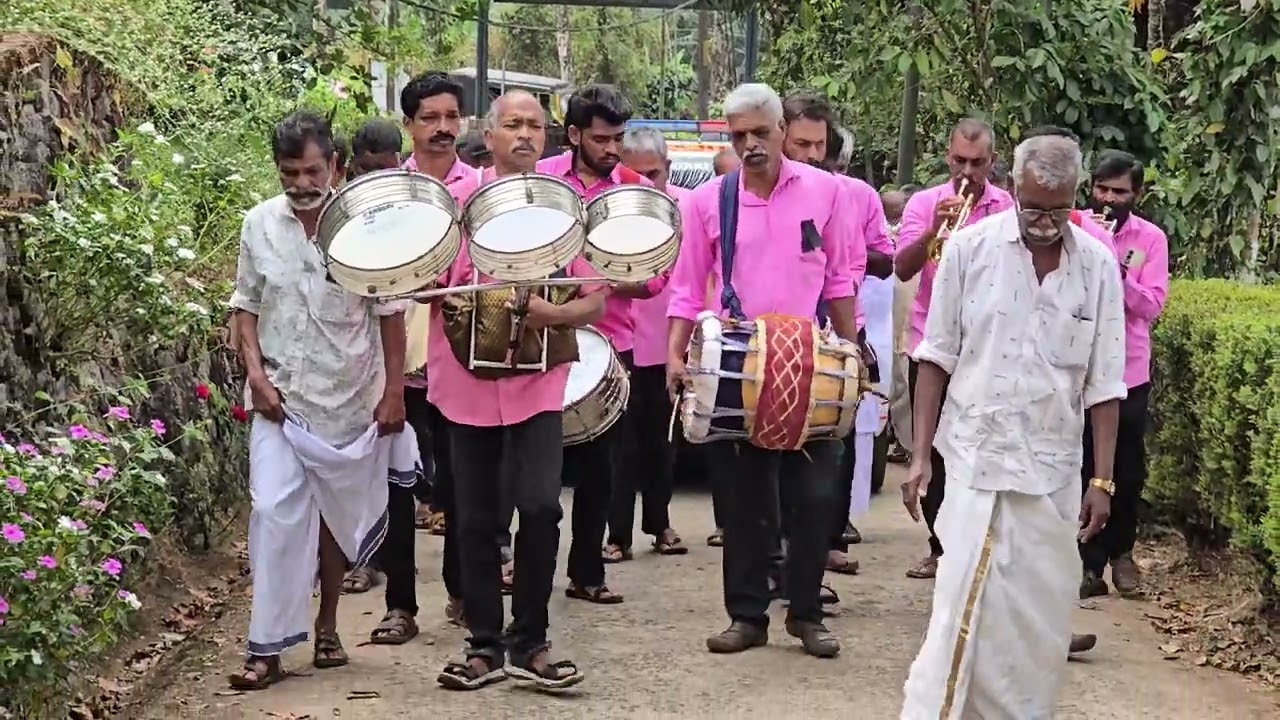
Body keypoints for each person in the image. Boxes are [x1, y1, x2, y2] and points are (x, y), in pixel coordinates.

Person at [899, 133, 1126, 717]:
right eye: (1033, 209)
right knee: (960, 611)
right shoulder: (969, 249)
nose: (1045, 223)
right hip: (974, 464)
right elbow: (936, 357)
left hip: (1052, 475)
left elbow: (1105, 382)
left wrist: (1102, 481)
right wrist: (920, 456)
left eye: (1058, 210)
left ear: (1074, 197)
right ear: (1014, 190)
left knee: (1035, 628)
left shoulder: (1098, 265)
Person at [666, 83, 864, 658]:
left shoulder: (828, 192)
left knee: (814, 500)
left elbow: (840, 279)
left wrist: (853, 354)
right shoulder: (709, 201)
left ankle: (805, 614)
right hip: (739, 368)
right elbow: (686, 288)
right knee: (744, 503)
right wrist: (675, 355)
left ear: (782, 130)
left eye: (760, 132)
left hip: (813, 364)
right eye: (739, 135)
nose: (750, 144)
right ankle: (747, 616)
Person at [226, 110, 412, 690]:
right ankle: (266, 649)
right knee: (272, 513)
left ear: (335, 164)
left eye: (312, 171)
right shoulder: (259, 224)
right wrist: (256, 376)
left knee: (334, 523)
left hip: (351, 401)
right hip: (280, 401)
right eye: (290, 173)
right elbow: (245, 306)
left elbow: (390, 314)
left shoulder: (366, 229)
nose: (302, 184)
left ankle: (327, 627)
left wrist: (394, 393)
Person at [430, 90, 602, 691]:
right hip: (466, 385)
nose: (524, 134)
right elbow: (425, 283)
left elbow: (595, 298)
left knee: (541, 507)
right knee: (475, 518)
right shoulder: (456, 205)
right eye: (512, 124)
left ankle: (531, 641)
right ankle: (484, 645)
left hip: (538, 386)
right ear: (490, 136)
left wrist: (553, 316)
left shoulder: (564, 209)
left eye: (534, 125)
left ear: (547, 137)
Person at [536, 85, 657, 601]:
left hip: (611, 345)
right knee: (537, 467)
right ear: (573, 134)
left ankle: (587, 574)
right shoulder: (541, 181)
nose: (613, 150)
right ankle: (529, 568)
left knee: (601, 470)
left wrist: (600, 284)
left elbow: (653, 279)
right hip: (542, 339)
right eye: (601, 139)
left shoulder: (635, 191)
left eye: (618, 139)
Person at [893, 118, 1014, 580]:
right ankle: (940, 546)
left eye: (977, 163)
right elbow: (903, 269)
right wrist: (933, 233)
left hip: (986, 347)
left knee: (980, 446)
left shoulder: (1008, 207)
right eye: (959, 161)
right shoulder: (924, 203)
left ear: (991, 161)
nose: (967, 172)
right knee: (932, 451)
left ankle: (976, 543)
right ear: (948, 156)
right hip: (931, 343)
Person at [399, 71, 474, 620]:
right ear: (409, 124)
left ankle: (461, 592)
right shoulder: (387, 193)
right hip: (397, 359)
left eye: (451, 117)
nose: (443, 128)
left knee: (459, 481)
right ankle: (399, 605)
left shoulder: (482, 189)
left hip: (461, 357)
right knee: (396, 482)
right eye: (430, 118)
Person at [1079, 149, 1169, 599]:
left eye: (1119, 192)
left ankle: (1122, 555)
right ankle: (1086, 563)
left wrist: (1114, 268)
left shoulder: (1150, 239)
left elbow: (1151, 306)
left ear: (1136, 194)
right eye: (1102, 189)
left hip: (1127, 370)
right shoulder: (1073, 226)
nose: (1108, 199)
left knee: (1126, 470)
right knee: (1081, 465)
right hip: (1077, 368)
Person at [607, 125, 687, 561]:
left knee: (662, 442)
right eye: (632, 174)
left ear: (667, 168)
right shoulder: (607, 212)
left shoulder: (685, 210)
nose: (643, 183)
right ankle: (616, 535)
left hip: (665, 345)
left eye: (652, 174)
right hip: (615, 345)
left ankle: (661, 524)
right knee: (619, 445)